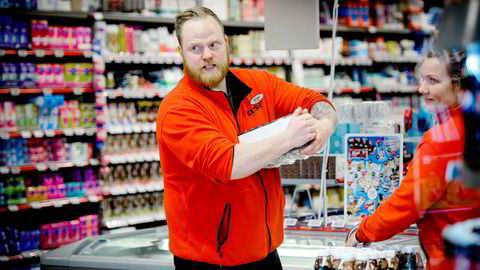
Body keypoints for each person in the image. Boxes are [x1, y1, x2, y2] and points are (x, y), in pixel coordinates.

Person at [156, 6, 337, 270]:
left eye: (214, 44)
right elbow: (227, 163)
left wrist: (324, 127)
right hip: (210, 260)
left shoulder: (258, 83)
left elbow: (317, 101)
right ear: (181, 53)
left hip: (265, 250)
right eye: (195, 48)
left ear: (226, 44)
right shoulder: (178, 109)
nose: (207, 55)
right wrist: (288, 138)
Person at [345, 49, 480, 270]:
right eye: (422, 79)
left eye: (433, 81)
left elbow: (407, 205)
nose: (421, 88)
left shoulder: (441, 142)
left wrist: (361, 232)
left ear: (459, 86)